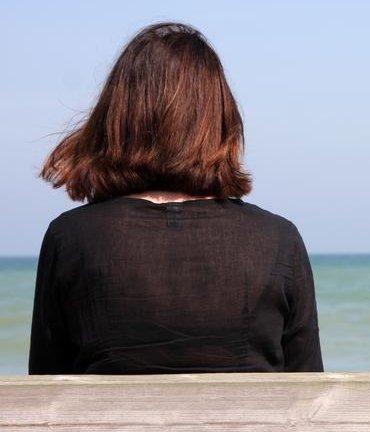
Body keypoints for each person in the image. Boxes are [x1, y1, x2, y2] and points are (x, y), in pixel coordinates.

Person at [28, 22, 323, 374]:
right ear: (220, 119)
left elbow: (45, 389)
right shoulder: (277, 239)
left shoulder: (71, 238)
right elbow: (308, 390)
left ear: (118, 118)